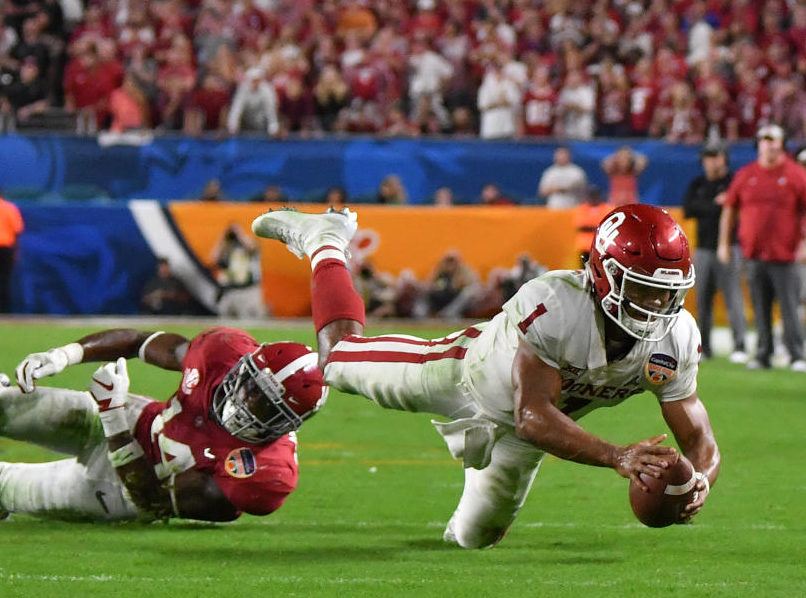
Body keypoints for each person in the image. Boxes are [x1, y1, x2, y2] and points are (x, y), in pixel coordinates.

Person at [251, 205, 719, 549]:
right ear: (604, 275)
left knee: (475, 540)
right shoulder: (555, 303)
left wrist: (697, 481)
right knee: (337, 360)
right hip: (458, 374)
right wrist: (618, 456)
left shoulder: (674, 339)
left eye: (666, 292)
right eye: (642, 289)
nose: (656, 306)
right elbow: (533, 413)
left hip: (526, 438)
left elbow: (699, 437)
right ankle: (325, 241)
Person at [0, 327, 328, 523]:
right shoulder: (223, 352)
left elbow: (151, 502)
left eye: (264, 404)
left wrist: (111, 416)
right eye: (249, 383)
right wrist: (62, 356)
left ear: (290, 421)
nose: (244, 398)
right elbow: (137, 342)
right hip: (136, 419)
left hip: (119, 491)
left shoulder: (264, 476)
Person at [718, 124, 806, 371]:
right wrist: (724, 243)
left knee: (789, 306)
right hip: (754, 252)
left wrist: (803, 244)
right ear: (759, 144)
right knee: (760, 307)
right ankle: (763, 353)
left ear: (781, 143)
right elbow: (729, 210)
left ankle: (796, 354)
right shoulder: (746, 174)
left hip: (786, 253)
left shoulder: (796, 173)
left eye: (774, 139)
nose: (769, 144)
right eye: (765, 140)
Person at [682, 145, 748, 362]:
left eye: (716, 156)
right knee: (703, 299)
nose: (712, 162)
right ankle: (705, 347)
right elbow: (688, 209)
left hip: (730, 246)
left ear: (724, 158)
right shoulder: (698, 183)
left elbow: (738, 209)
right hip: (703, 248)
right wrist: (715, 205)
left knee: (733, 297)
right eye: (708, 157)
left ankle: (740, 345)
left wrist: (713, 206)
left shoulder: (733, 182)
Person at [139, 258, 205, 316]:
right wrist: (154, 296)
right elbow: (144, 299)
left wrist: (169, 295)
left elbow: (186, 298)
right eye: (161, 267)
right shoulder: (153, 283)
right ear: (158, 268)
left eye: (165, 267)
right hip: (157, 313)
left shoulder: (176, 282)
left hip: (175, 312)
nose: (164, 270)